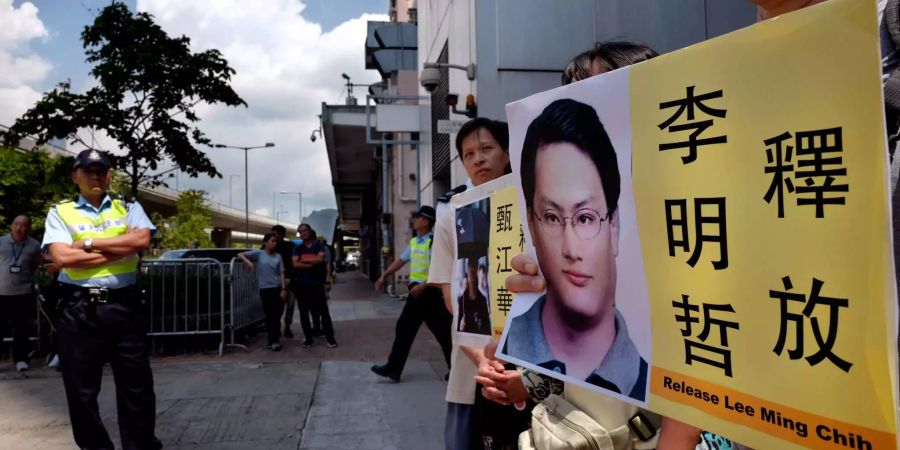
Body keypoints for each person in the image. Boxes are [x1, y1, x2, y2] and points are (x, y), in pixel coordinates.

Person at [503, 97, 647, 400]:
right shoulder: (504, 354)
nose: (571, 248)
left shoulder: (660, 381)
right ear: (531, 223)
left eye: (585, 218)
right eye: (552, 218)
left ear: (614, 225)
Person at [43, 149, 162, 449]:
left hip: (124, 307)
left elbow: (141, 240)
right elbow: (62, 257)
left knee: (138, 387)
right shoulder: (60, 211)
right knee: (81, 392)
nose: (95, 175)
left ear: (109, 175)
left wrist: (88, 244)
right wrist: (120, 247)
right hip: (79, 310)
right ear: (75, 176)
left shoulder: (128, 207)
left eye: (101, 170)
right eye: (88, 171)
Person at [427, 117, 530, 449]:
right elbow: (451, 298)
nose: (478, 159)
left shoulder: (535, 205)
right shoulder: (451, 218)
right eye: (468, 154)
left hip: (535, 359)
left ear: (508, 153)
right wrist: (484, 361)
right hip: (478, 358)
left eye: (487, 149)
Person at [371, 205, 453, 381]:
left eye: (417, 217)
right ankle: (394, 369)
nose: (413, 220)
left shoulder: (435, 242)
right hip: (417, 293)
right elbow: (401, 260)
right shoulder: (415, 241)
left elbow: (440, 268)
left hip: (429, 292)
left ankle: (455, 371)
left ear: (425, 221)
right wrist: (384, 275)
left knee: (443, 333)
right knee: (409, 328)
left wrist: (423, 286)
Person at [0, 215, 42, 372]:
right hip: (1, 292)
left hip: (23, 293)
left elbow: (34, 266)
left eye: (23, 225)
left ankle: (21, 360)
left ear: (29, 228)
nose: (19, 228)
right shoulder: (1, 242)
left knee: (22, 328)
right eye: (16, 224)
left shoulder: (34, 245)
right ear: (11, 225)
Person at [240, 233, 288, 351]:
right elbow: (240, 254)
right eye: (272, 241)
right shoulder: (259, 254)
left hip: (277, 288)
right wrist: (248, 261)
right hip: (265, 289)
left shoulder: (278, 256)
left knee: (277, 315)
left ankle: (273, 338)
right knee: (269, 315)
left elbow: (281, 273)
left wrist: (283, 289)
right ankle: (274, 340)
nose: (274, 243)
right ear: (265, 242)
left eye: (275, 241)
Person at [292, 224, 337, 348]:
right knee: (304, 314)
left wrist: (303, 261)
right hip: (302, 286)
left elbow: (321, 260)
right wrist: (312, 262)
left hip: (317, 284)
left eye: (305, 230)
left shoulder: (319, 245)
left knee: (324, 312)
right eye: (300, 231)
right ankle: (308, 340)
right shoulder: (298, 248)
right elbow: (295, 264)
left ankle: (330, 339)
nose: (303, 233)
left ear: (310, 231)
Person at [267, 225, 297, 338]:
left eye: (275, 234)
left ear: (282, 235)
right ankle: (277, 328)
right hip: (274, 283)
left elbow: (295, 262)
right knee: (276, 307)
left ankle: (287, 327)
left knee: (290, 306)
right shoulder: (269, 246)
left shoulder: (291, 246)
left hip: (289, 281)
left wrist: (292, 277)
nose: (273, 237)